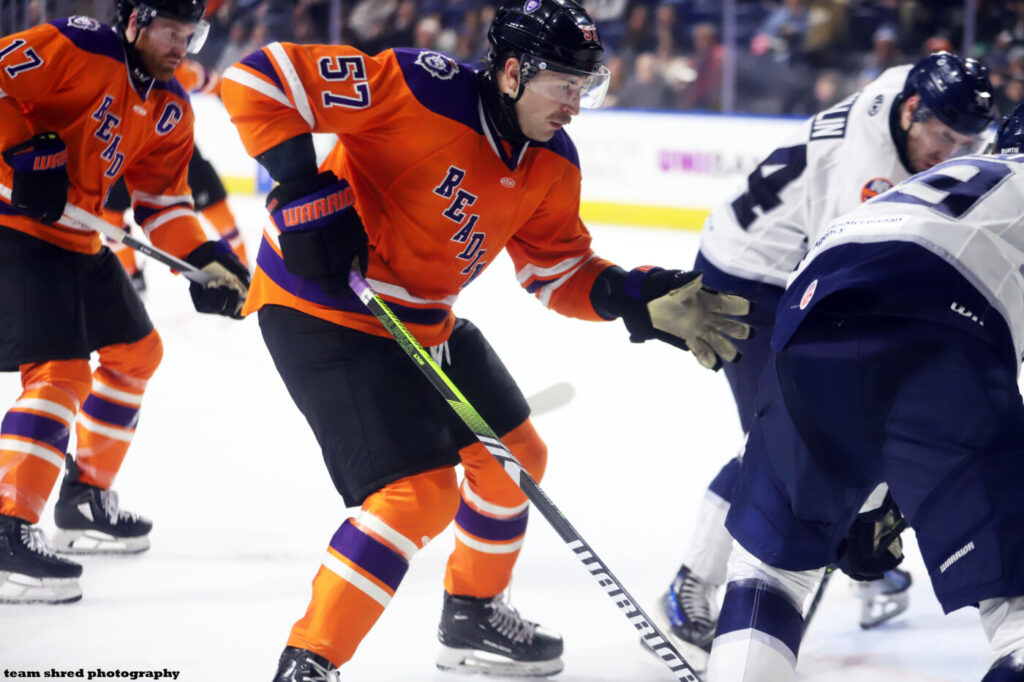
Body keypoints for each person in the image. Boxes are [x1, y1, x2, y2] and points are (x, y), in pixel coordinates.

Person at [219, 0, 750, 678]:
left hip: (423, 321)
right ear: (511, 72)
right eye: (564, 84)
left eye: (586, 86)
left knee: (514, 458)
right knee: (417, 494)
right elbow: (258, 78)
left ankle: (472, 614)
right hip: (323, 308)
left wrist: (632, 297)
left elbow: (556, 271)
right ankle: (310, 662)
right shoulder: (419, 87)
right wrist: (301, 189)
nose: (575, 105)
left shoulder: (552, 162)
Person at [657, 51, 995, 664]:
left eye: (962, 142)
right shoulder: (867, 173)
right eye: (942, 137)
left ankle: (851, 544)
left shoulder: (910, 95)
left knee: (843, 424)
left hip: (788, 259)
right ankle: (691, 584)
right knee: (785, 445)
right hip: (749, 279)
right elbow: (838, 278)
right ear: (913, 111)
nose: (948, 152)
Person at [0, 0, 250, 604]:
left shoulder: (171, 107)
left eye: (191, 35)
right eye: (170, 32)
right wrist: (19, 149)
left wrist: (205, 259)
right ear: (135, 22)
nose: (181, 47)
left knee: (137, 351)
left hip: (79, 239)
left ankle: (86, 498)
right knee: (60, 372)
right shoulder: (79, 46)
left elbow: (164, 204)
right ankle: (8, 529)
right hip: (12, 227)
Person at [103, 56, 250, 295]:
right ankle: (131, 274)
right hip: (125, 156)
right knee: (110, 218)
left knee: (219, 211)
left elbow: (216, 83)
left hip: (177, 154)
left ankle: (243, 268)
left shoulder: (177, 70)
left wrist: (237, 101)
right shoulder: (112, 69)